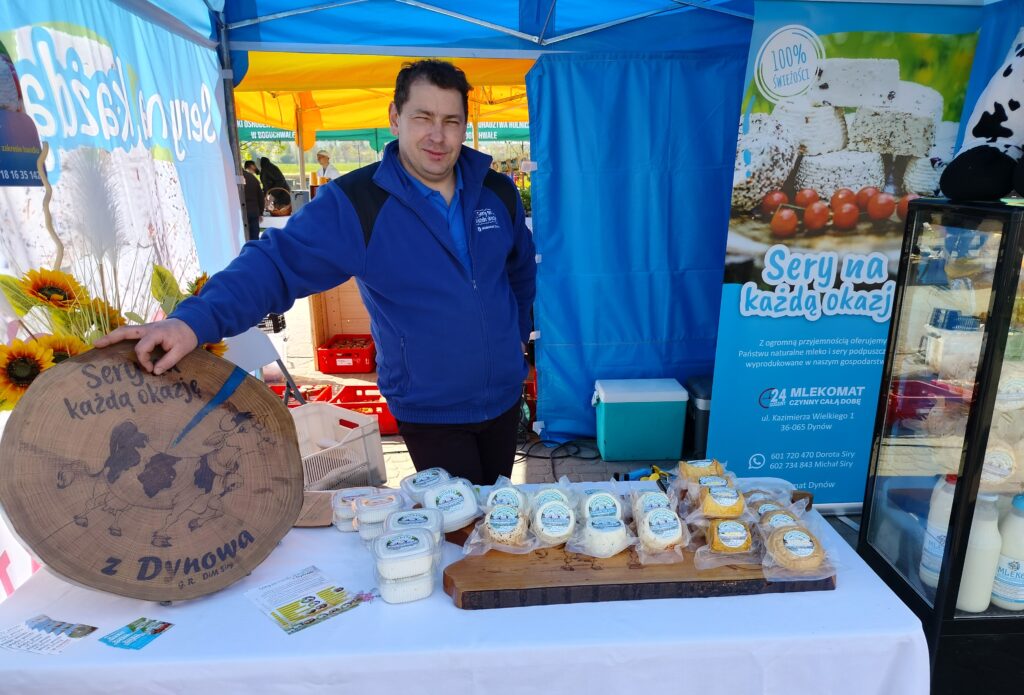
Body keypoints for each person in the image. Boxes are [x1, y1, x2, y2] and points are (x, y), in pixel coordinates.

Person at [96, 59, 536, 487]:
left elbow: (518, 269)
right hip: (432, 412)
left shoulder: (495, 189)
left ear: (464, 125)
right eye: (423, 117)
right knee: (458, 526)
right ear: (395, 117)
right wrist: (193, 321)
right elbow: (275, 263)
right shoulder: (360, 203)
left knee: (502, 516)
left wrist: (517, 335)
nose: (437, 135)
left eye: (451, 121)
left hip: (502, 398)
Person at [241, 165, 263, 241]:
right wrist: (260, 212)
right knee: (254, 237)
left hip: (241, 212)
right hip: (253, 211)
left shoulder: (231, 179)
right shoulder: (252, 177)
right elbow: (260, 196)